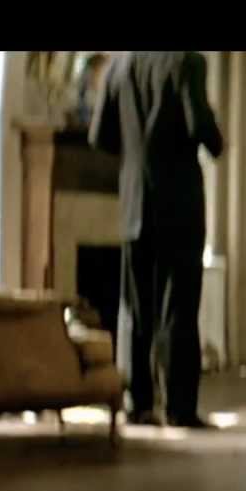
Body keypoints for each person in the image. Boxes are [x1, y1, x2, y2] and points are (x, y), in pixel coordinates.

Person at [90, 51, 224, 428]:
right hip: (178, 204)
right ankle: (179, 408)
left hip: (134, 202)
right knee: (178, 306)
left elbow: (100, 136)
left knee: (135, 308)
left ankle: (138, 403)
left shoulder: (118, 65)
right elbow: (201, 128)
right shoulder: (187, 61)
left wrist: (135, 154)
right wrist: (216, 137)